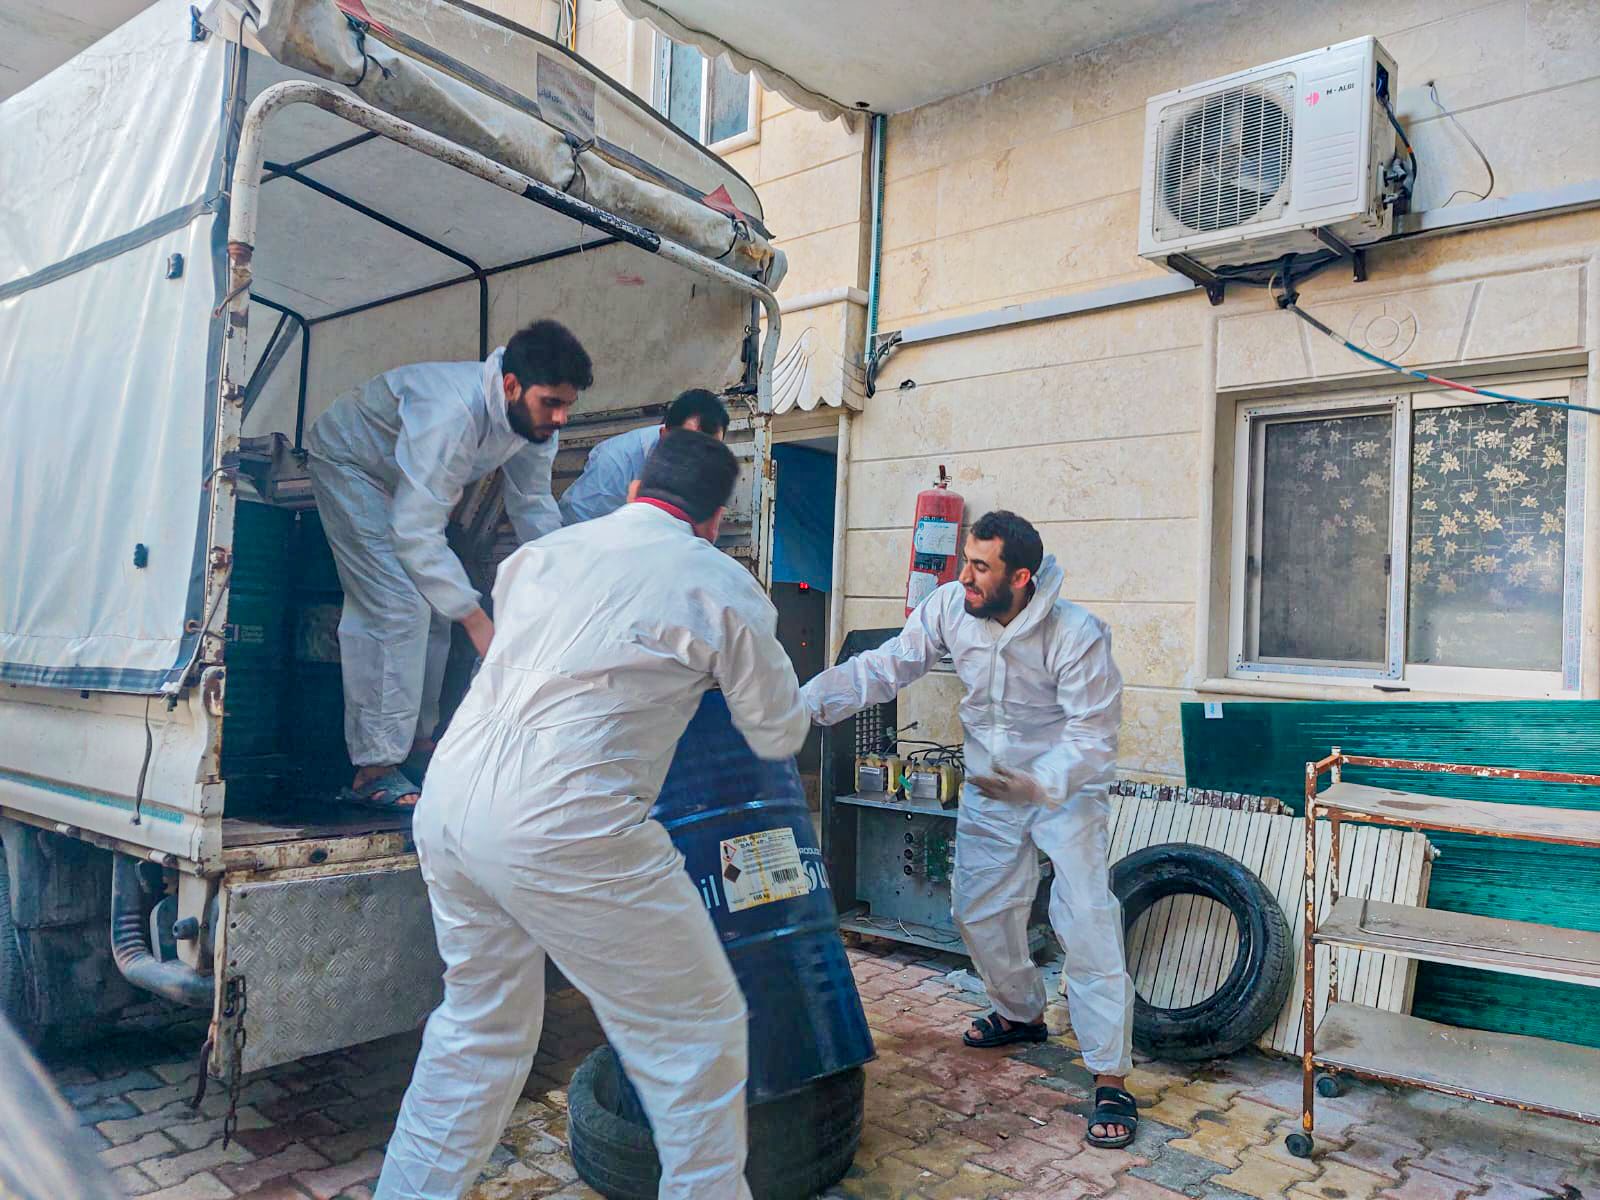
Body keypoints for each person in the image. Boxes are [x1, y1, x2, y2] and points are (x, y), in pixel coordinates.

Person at [374, 431, 809, 1200]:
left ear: (637, 488)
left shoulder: (540, 557)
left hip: (449, 806)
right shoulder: (720, 582)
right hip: (566, 822)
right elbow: (776, 730)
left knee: (476, 1033)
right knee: (695, 1037)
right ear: (712, 519)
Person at [801, 510, 1139, 1149]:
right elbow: (886, 666)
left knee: (1086, 918)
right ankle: (1020, 1014)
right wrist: (805, 705)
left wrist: (1040, 785)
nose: (965, 579)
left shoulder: (1079, 635)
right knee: (978, 910)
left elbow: (1094, 736)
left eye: (979, 567)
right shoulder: (951, 609)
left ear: (1021, 577)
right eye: (964, 562)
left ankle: (1109, 1076)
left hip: (1065, 792)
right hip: (990, 788)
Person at [305, 320, 593, 810]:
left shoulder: (534, 426)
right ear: (511, 386)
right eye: (552, 403)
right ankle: (374, 770)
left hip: (404, 478)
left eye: (568, 405)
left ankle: (416, 747)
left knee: (434, 606)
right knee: (398, 605)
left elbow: (533, 505)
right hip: (351, 464)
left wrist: (569, 587)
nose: (561, 417)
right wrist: (478, 620)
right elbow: (414, 532)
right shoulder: (450, 412)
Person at [558, 387, 730, 525]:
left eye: (710, 451)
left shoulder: (712, 467)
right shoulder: (615, 462)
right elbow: (576, 522)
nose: (698, 461)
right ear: (664, 434)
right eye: (688, 446)